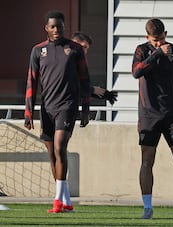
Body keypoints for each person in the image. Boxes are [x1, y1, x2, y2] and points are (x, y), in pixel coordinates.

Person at [131, 18, 173, 220]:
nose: (159, 43)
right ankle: (147, 207)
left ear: (166, 34)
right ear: (147, 38)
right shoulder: (142, 51)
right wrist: (156, 54)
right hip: (148, 114)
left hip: (171, 114)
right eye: (155, 40)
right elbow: (136, 72)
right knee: (147, 161)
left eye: (161, 39)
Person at [24, 11, 91, 213]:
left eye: (60, 27)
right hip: (47, 108)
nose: (56, 30)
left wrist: (85, 110)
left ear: (64, 27)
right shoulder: (37, 51)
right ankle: (66, 200)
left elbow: (85, 80)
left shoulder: (75, 49)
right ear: (46, 28)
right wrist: (29, 113)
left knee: (60, 148)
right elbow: (32, 82)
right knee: (52, 155)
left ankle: (57, 201)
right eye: (52, 26)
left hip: (67, 107)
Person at [71, 31, 117, 105]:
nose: (85, 51)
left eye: (86, 48)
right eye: (83, 47)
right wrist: (92, 90)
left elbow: (78, 89)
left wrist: (100, 93)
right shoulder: (64, 62)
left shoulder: (78, 64)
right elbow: (68, 88)